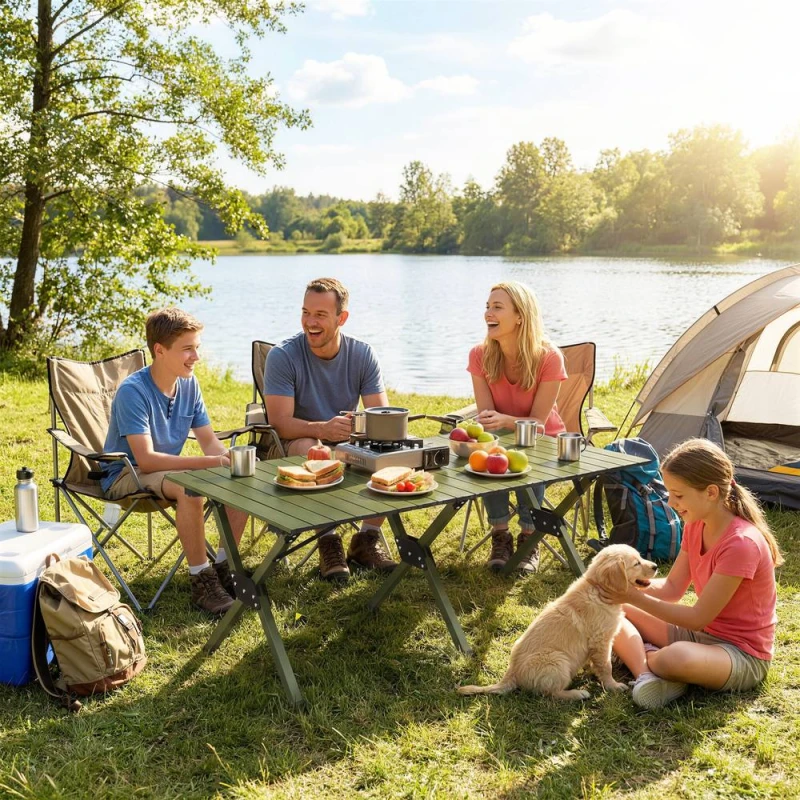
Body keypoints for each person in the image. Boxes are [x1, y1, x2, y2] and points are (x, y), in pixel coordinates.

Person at [605, 438, 782, 710]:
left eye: (678, 494)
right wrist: (628, 586)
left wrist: (634, 596)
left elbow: (698, 618)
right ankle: (646, 674)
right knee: (613, 605)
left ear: (711, 492)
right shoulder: (695, 524)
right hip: (700, 636)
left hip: (741, 654)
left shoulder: (741, 544)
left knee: (675, 658)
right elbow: (673, 588)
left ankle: (652, 660)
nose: (670, 501)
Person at [101, 308, 249, 616]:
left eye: (197, 347)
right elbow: (146, 459)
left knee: (240, 478)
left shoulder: (189, 385)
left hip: (167, 470)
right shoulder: (133, 391)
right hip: (126, 473)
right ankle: (201, 580)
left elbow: (208, 441)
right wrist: (209, 465)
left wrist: (227, 458)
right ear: (160, 350)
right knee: (190, 488)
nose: (196, 356)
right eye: (187, 349)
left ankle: (225, 567)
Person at [264, 277, 397, 582]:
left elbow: (381, 416)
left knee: (392, 449)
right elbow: (280, 423)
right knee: (312, 448)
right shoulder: (283, 356)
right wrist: (323, 428)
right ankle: (328, 540)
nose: (310, 322)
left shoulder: (362, 354)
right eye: (305, 312)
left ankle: (366, 539)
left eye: (320, 315)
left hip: (344, 443)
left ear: (342, 318)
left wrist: (361, 429)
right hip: (290, 442)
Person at [467, 281, 567, 573]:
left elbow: (538, 425)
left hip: (542, 440)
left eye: (497, 307)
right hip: (500, 438)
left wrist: (508, 421)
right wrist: (493, 425)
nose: (488, 313)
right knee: (487, 458)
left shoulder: (549, 357)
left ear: (520, 315)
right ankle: (500, 535)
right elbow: (486, 415)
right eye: (487, 307)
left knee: (528, 462)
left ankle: (528, 537)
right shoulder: (479, 355)